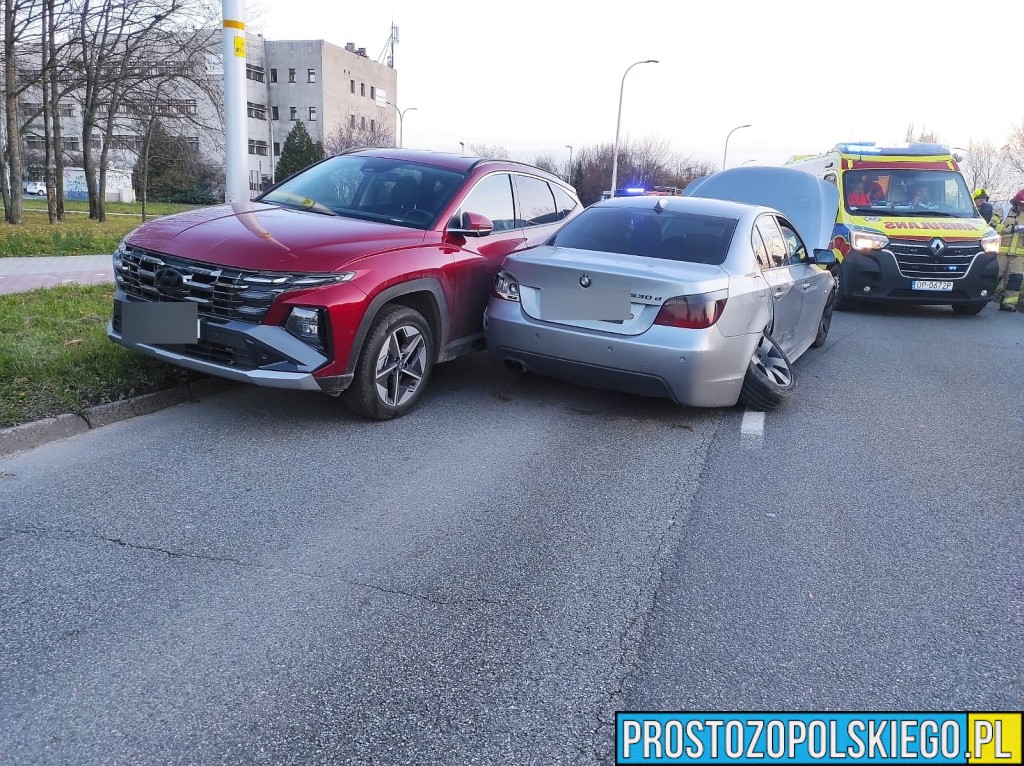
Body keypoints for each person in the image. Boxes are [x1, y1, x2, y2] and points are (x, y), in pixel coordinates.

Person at [997, 188, 1024, 312]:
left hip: (1019, 256)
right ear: (1016, 202)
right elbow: (991, 227)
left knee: (1015, 280)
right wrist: (1011, 228)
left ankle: (1008, 304)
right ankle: (982, 299)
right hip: (999, 253)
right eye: (1021, 205)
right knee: (992, 277)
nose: (1022, 207)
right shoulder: (1004, 211)